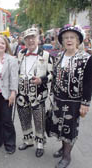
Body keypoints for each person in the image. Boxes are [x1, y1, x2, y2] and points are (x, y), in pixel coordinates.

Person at [50, 25, 92, 168]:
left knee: (69, 128)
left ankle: (67, 156)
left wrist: (85, 103)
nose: (68, 40)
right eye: (66, 38)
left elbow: (88, 83)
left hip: (74, 101)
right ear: (62, 41)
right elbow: (53, 76)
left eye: (72, 37)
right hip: (58, 99)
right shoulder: (59, 56)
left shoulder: (86, 58)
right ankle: (63, 149)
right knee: (60, 127)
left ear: (78, 40)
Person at [16, 27, 53, 157]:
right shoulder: (20, 53)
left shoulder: (46, 55)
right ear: (24, 41)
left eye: (33, 37)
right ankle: (28, 140)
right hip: (22, 93)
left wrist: (41, 80)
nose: (30, 40)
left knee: (39, 120)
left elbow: (52, 74)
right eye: (27, 38)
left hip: (37, 94)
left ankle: (40, 144)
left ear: (38, 39)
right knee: (24, 119)